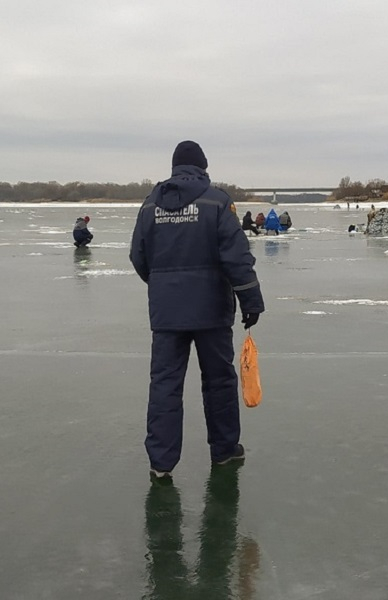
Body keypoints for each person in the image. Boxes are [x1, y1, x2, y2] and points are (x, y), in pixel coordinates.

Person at [129, 140, 265, 479]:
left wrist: (162, 284)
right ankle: (224, 451)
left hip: (166, 313)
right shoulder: (216, 202)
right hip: (211, 311)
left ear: (175, 167)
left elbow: (138, 257)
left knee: (164, 384)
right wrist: (251, 300)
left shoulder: (149, 206)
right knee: (218, 381)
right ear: (203, 167)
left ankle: (161, 462)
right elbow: (237, 258)